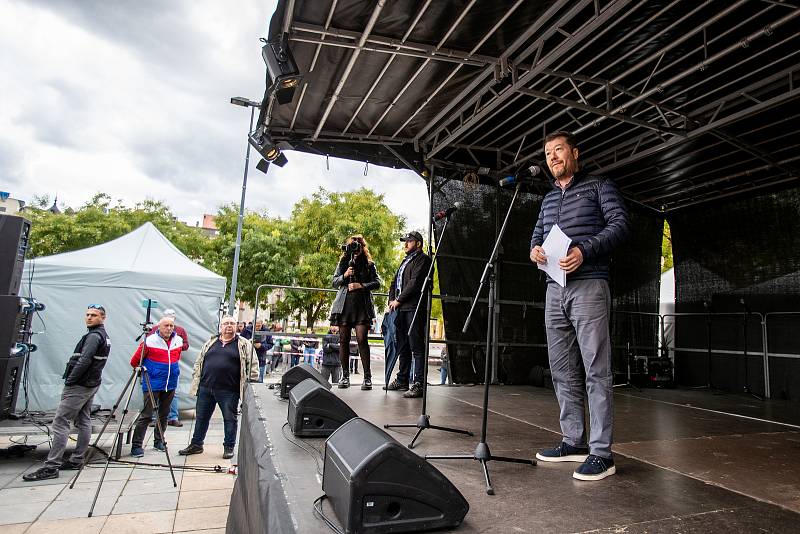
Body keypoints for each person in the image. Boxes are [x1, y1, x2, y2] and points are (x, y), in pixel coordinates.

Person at [530, 131, 630, 481]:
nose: (552, 157)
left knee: (596, 370)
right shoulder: (546, 199)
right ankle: (574, 441)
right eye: (547, 153)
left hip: (589, 284)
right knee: (561, 369)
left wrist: (584, 250)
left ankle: (602, 452)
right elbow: (536, 237)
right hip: (554, 288)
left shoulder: (599, 186)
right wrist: (535, 251)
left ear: (575, 153)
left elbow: (621, 226)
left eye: (558, 150)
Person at [23, 305, 112, 481]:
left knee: (60, 422)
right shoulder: (102, 336)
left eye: (93, 315)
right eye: (87, 314)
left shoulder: (94, 336)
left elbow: (85, 360)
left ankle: (51, 466)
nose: (89, 317)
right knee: (84, 419)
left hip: (80, 385)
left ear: (103, 317)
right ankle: (77, 459)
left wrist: (71, 380)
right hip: (90, 383)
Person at [179, 315, 258, 460]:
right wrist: (197, 376)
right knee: (201, 418)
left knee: (229, 419)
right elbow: (199, 361)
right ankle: (196, 444)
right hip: (205, 387)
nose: (229, 326)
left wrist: (249, 386)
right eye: (226, 323)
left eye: (232, 323)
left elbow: (253, 367)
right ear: (220, 327)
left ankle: (228, 447)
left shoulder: (244, 344)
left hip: (229, 390)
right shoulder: (211, 342)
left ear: (236, 327)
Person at [329, 234, 381, 390]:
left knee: (361, 339)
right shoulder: (344, 262)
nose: (355, 248)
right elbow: (334, 282)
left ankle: (367, 377)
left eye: (358, 245)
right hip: (344, 306)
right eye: (352, 244)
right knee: (343, 340)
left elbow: (378, 283)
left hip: (362, 307)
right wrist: (345, 275)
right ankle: (345, 377)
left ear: (362, 246)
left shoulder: (369, 264)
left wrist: (361, 285)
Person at [129, 316, 184, 457]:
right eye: (166, 325)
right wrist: (147, 370)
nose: (169, 328)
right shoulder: (149, 341)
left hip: (170, 383)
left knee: (164, 414)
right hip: (153, 383)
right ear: (159, 327)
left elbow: (176, 359)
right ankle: (137, 445)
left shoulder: (178, 340)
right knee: (146, 415)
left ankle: (159, 440)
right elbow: (135, 361)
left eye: (172, 326)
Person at [385, 231, 432, 399]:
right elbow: (393, 282)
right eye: (405, 241)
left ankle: (418, 383)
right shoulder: (405, 260)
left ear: (418, 243)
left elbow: (415, 283)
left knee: (416, 345)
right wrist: (392, 301)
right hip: (400, 308)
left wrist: (398, 300)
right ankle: (402, 379)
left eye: (409, 241)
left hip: (414, 307)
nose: (405, 244)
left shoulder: (423, 260)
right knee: (403, 344)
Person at [149, 308, 189, 427]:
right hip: (156, 367)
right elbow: (148, 344)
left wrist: (176, 347)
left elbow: (186, 344)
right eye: (167, 318)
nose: (169, 327)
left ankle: (173, 416)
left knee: (173, 393)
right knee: (155, 392)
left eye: (172, 318)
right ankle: (154, 417)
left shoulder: (180, 330)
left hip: (172, 365)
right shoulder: (155, 329)